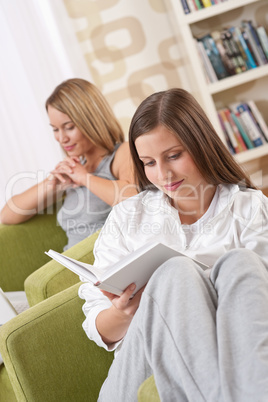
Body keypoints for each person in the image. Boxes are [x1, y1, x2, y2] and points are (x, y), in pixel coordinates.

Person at [79, 88, 268, 401]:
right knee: (175, 271)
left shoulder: (249, 208)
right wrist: (124, 312)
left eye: (174, 156)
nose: (162, 174)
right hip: (141, 364)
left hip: (232, 349)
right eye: (149, 162)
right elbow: (100, 329)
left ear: (201, 143)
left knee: (242, 263)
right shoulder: (128, 215)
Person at [1, 78, 137, 250]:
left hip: (102, 260)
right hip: (73, 262)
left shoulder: (121, 153)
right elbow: (7, 215)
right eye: (55, 129)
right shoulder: (74, 170)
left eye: (69, 127)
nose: (61, 138)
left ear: (92, 121)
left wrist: (84, 178)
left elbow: (133, 199)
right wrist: (51, 185)